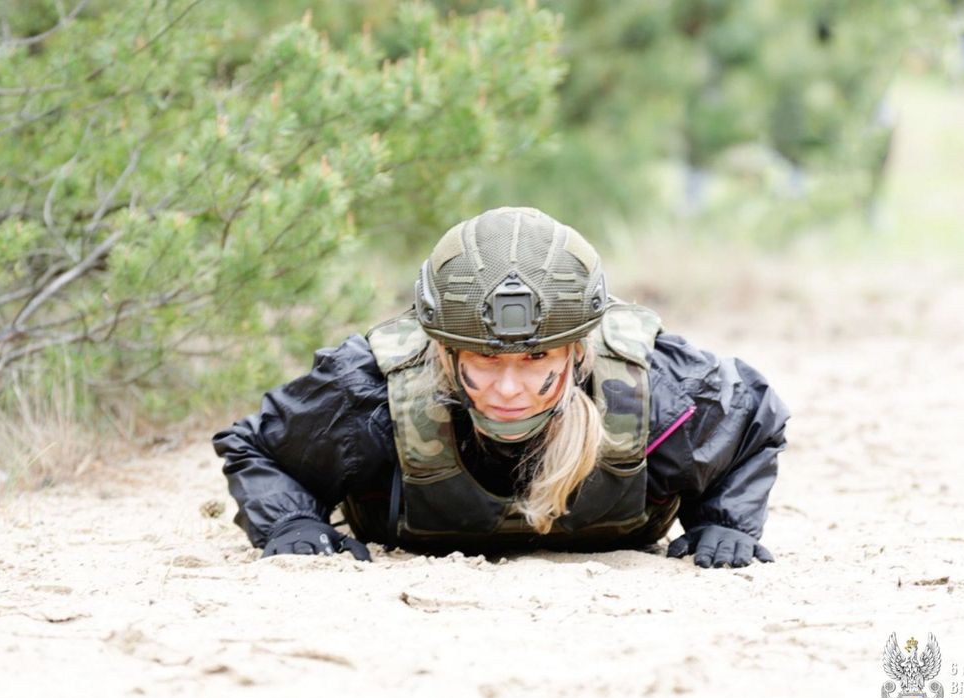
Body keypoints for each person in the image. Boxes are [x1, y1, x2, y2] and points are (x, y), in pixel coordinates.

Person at [212, 207, 789, 568]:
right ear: (443, 347)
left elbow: (755, 416)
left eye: (536, 355)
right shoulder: (371, 394)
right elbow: (257, 447)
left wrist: (723, 519)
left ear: (577, 348)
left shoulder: (659, 392)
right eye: (484, 359)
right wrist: (292, 522)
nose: (508, 387)